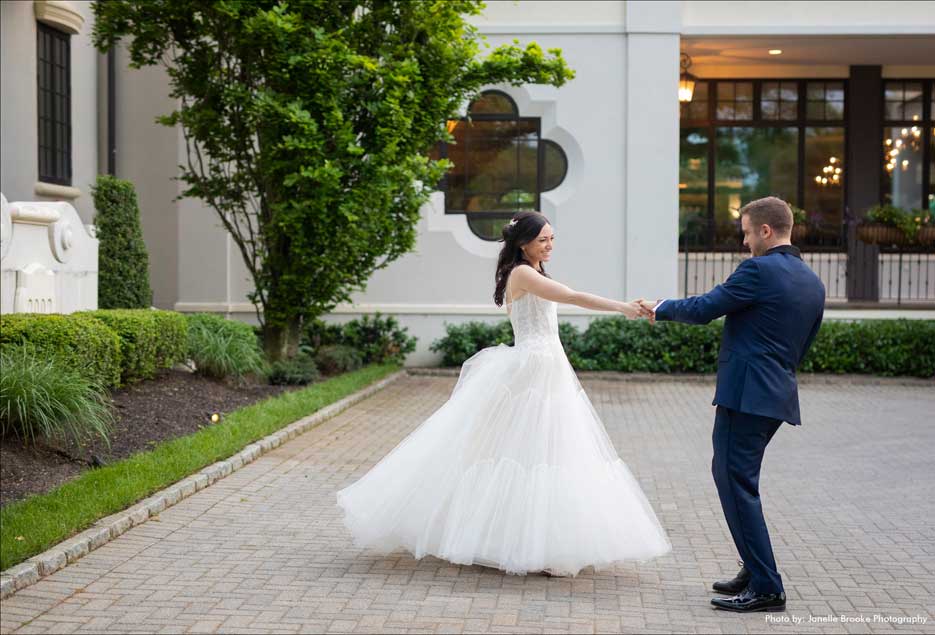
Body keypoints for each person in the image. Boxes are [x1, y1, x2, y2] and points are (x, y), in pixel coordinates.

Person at [337, 210, 671, 577]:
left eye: (552, 238)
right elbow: (573, 296)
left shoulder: (531, 272)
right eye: (543, 239)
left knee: (543, 452)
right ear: (523, 243)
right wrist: (623, 307)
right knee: (529, 453)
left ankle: (541, 540)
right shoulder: (523, 274)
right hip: (534, 371)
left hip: (548, 368)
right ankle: (522, 542)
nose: (549, 245)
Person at [641, 196, 825, 612]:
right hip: (776, 395)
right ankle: (753, 568)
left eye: (746, 233)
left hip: (746, 395)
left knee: (734, 482)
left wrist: (660, 308)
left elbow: (707, 308)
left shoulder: (759, 270)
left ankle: (766, 587)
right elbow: (803, 345)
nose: (744, 243)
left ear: (765, 230)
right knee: (740, 481)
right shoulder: (812, 281)